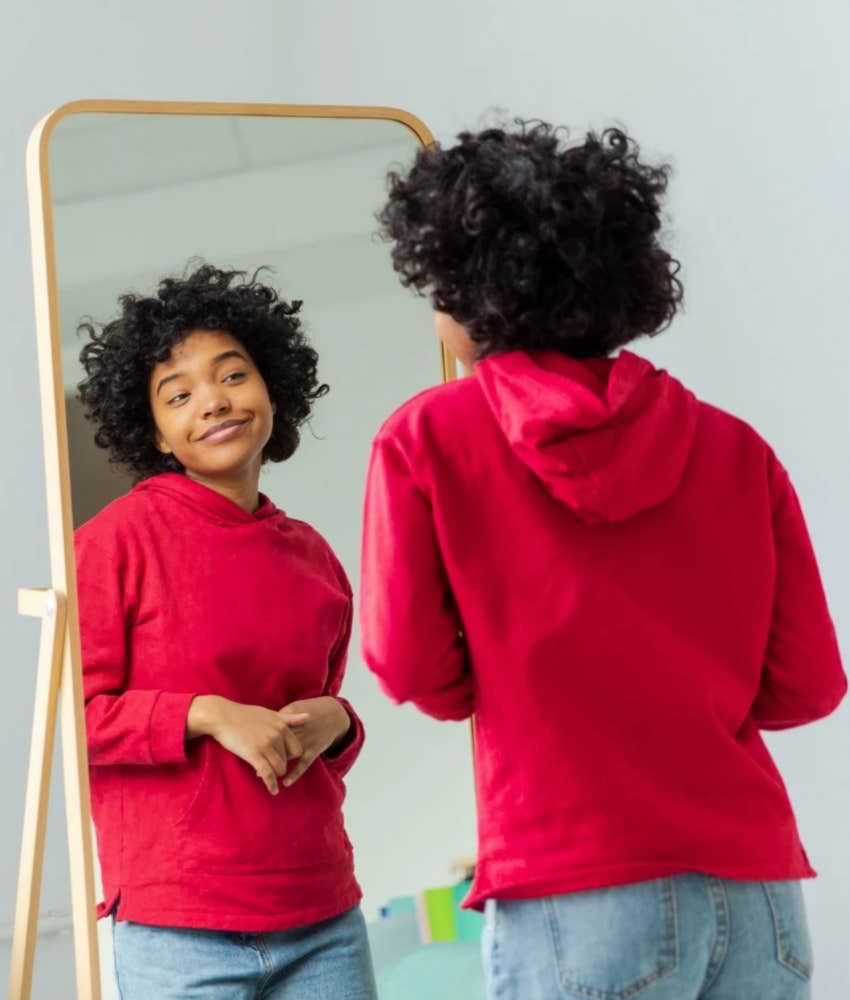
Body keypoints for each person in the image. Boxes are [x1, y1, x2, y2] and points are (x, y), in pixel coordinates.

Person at [359, 121, 846, 1000]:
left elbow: (412, 669)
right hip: (759, 890)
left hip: (574, 886)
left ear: (472, 295)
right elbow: (809, 686)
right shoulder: (736, 449)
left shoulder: (428, 438)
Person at [75, 264, 377, 999]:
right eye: (178, 395)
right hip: (178, 926)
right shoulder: (115, 541)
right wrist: (205, 713)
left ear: (272, 388)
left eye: (233, 375)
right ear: (156, 433)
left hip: (323, 913)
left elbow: (304, 738)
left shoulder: (312, 555)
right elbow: (70, 724)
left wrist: (338, 723)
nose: (212, 401)